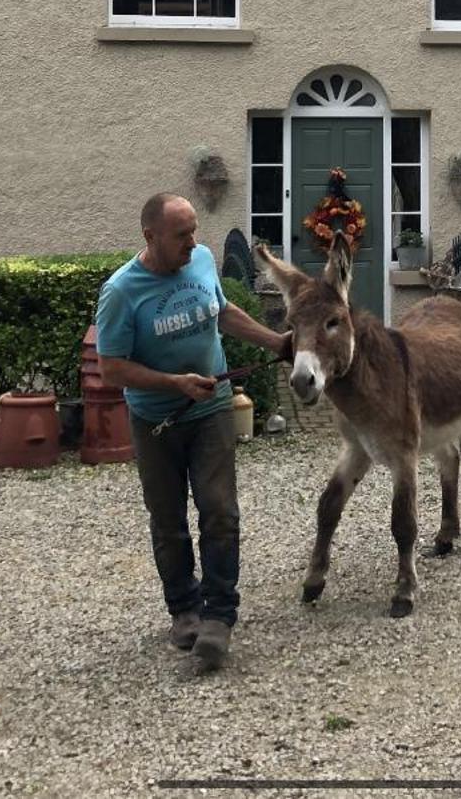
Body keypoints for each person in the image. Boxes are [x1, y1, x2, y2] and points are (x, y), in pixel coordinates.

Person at [95, 193, 292, 672]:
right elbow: (111, 368)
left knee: (220, 509)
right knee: (168, 519)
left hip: (212, 412)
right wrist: (172, 383)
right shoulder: (122, 292)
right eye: (181, 235)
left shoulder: (201, 261)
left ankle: (219, 616)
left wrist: (279, 342)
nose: (192, 242)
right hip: (156, 419)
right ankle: (183, 609)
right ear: (151, 237)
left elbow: (222, 312)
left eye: (194, 231)